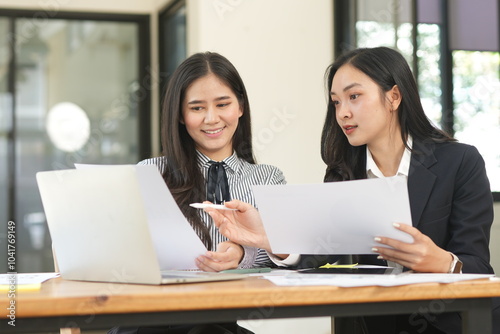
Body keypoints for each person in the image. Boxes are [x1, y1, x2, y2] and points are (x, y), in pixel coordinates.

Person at [206, 47, 497, 334]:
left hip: (452, 324)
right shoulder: (344, 172)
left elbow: (478, 266)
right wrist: (272, 238)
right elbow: (318, 251)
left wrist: (442, 262)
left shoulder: (459, 162)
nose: (343, 113)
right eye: (336, 102)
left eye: (354, 97)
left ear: (394, 97)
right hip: (375, 324)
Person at [109, 51, 285, 334]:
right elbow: (122, 251)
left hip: (218, 322)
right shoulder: (150, 172)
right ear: (180, 115)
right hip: (152, 320)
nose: (211, 118)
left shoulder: (267, 179)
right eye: (197, 108)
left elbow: (282, 255)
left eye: (222, 104)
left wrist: (241, 254)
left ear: (240, 106)